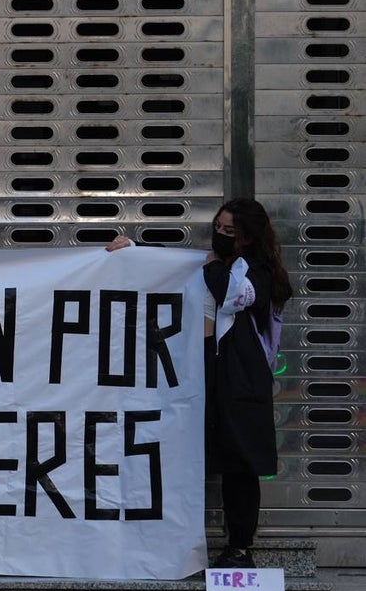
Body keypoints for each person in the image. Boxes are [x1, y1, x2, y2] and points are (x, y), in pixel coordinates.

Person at [108, 198, 293, 568]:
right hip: (200, 372)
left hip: (241, 380)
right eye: (218, 228)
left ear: (249, 237)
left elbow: (230, 296)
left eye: (230, 232)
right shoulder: (212, 264)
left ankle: (240, 546)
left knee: (239, 464)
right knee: (185, 452)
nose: (221, 236)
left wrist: (212, 266)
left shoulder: (257, 272)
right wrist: (135, 252)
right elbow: (174, 266)